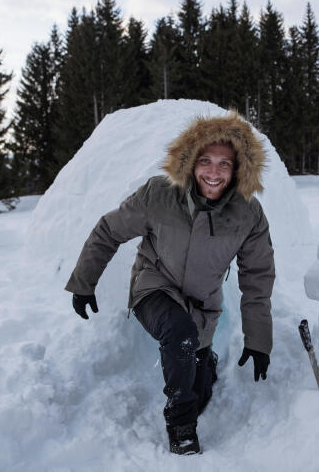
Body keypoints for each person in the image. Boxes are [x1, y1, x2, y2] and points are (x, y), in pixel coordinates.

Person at [65, 111, 275, 455]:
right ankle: (181, 425)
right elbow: (109, 230)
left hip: (203, 304)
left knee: (201, 389)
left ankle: (204, 366)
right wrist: (84, 281)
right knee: (180, 336)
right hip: (154, 287)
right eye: (205, 161)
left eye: (224, 164)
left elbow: (258, 277)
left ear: (238, 168)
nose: (213, 172)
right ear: (190, 162)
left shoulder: (247, 214)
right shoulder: (159, 195)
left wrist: (258, 339)